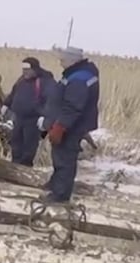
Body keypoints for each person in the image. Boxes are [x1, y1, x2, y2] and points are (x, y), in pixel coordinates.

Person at [38, 46, 100, 203]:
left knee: (65, 159)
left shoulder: (79, 79)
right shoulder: (77, 74)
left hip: (70, 127)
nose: (60, 62)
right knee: (60, 156)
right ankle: (56, 184)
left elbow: (72, 107)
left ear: (73, 60)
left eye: (63, 59)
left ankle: (60, 195)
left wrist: (60, 127)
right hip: (70, 124)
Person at [0, 57, 55, 167]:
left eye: (27, 69)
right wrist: (6, 104)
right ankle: (14, 166)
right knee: (16, 144)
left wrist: (45, 116)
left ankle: (25, 169)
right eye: (23, 69)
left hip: (33, 120)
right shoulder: (21, 80)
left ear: (35, 69)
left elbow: (52, 101)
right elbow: (14, 92)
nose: (24, 72)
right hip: (19, 118)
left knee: (29, 147)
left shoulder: (45, 81)